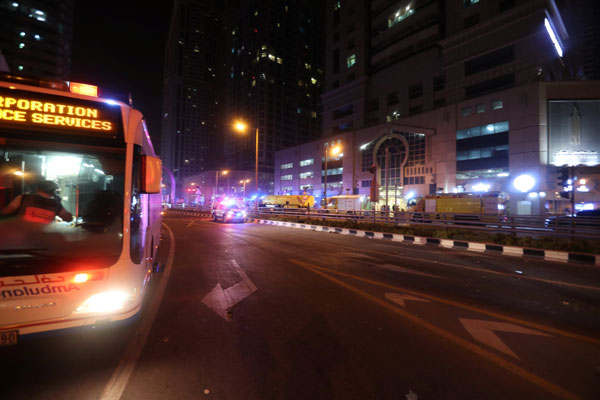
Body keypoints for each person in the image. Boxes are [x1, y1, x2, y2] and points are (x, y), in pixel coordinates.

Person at [1, 180, 73, 223]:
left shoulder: (23, 198)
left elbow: (6, 211)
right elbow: (68, 219)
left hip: (21, 237)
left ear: (38, 189)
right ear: (53, 191)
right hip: (44, 240)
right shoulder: (56, 205)